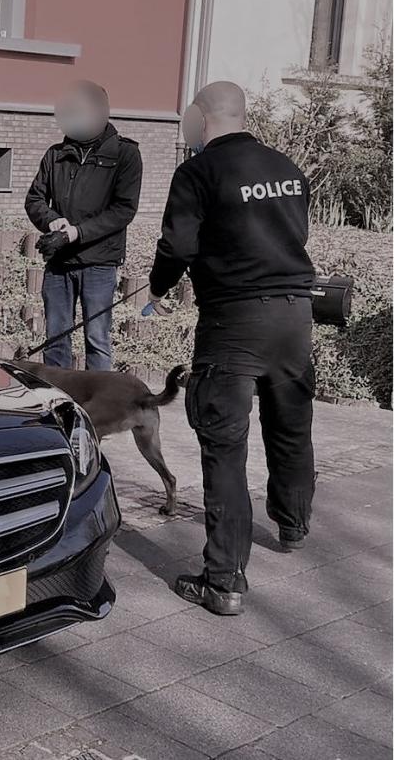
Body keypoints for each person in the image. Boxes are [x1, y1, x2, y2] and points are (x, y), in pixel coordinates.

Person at [146, 81, 316, 617]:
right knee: (290, 428)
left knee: (224, 446)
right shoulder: (287, 167)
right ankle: (292, 525)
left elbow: (177, 245)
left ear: (201, 117)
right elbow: (295, 235)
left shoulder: (197, 171)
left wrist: (156, 288)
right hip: (294, 316)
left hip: (234, 322)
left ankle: (222, 581)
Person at [25, 80, 142, 371]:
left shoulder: (125, 155)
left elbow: (123, 210)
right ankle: (57, 395)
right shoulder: (56, 155)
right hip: (59, 262)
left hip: (99, 263)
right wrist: (52, 220)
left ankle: (98, 397)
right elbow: (34, 199)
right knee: (56, 338)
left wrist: (76, 233)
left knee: (96, 338)